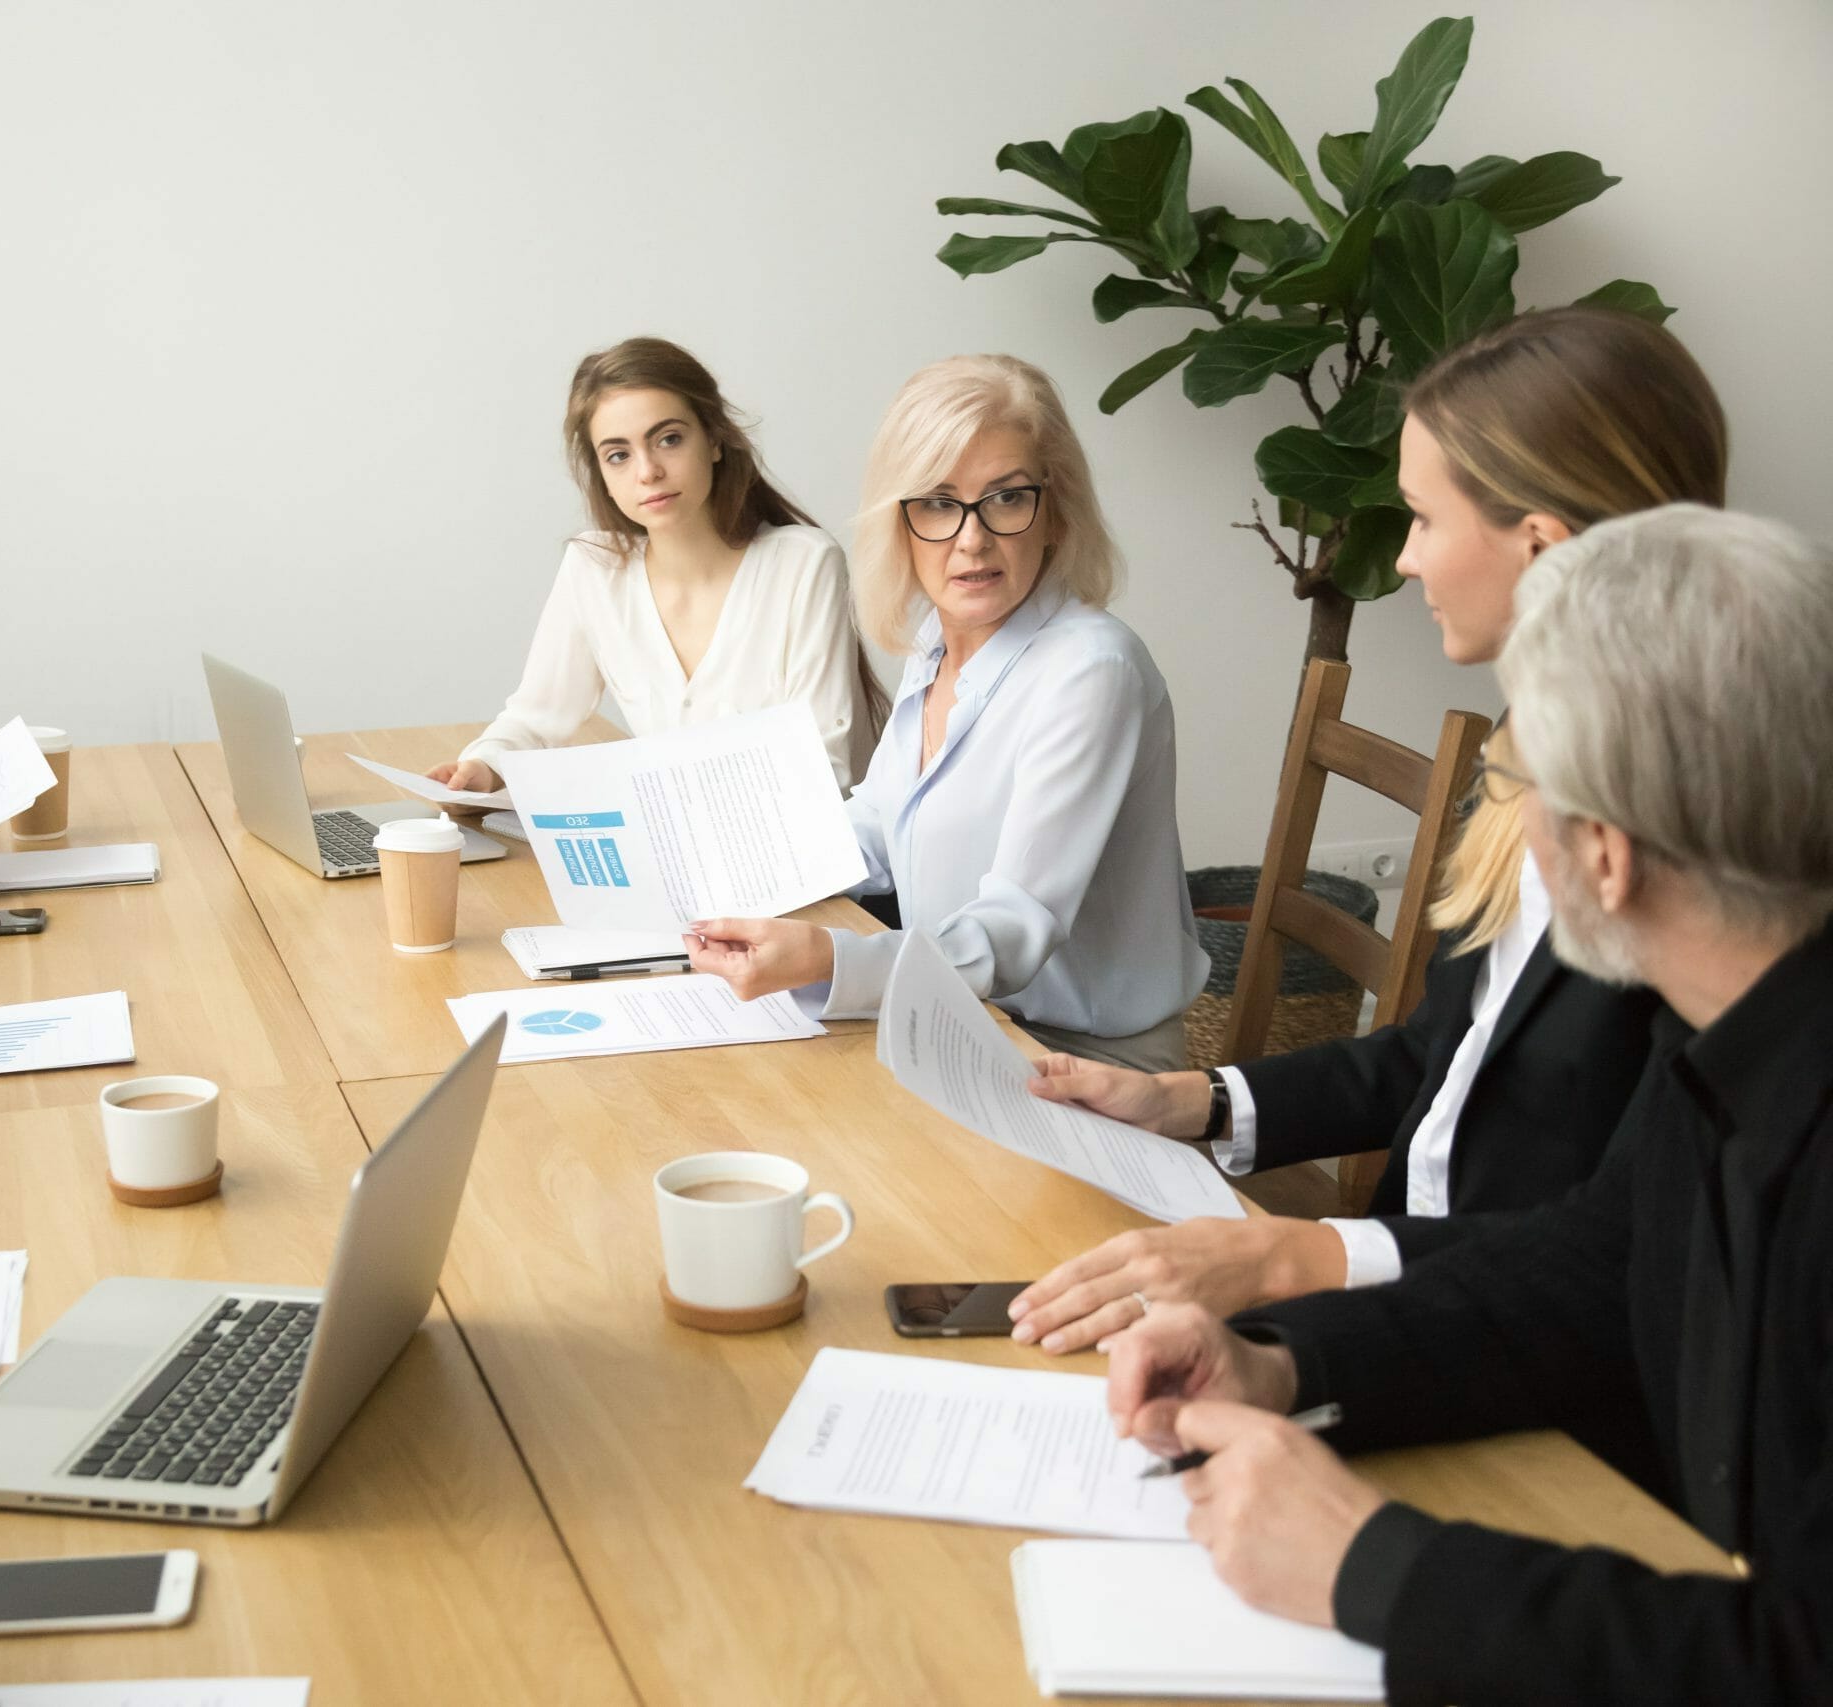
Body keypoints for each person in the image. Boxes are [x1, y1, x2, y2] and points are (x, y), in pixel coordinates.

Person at [1102, 506, 1833, 1707]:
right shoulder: (1726, 1019)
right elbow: (1591, 1272)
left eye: (1514, 783)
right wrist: (1281, 1367)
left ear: (1603, 854)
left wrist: (1369, 1564)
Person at [1002, 308, 1726, 1353]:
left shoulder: (1690, 845)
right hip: (1425, 1299)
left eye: (1422, 520)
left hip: (1527, 1354)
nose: (1406, 563)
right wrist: (1191, 1100)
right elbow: (1441, 1057)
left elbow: (1622, 1251)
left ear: (1541, 548)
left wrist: (1304, 1263)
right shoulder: (1529, 752)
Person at [687, 354, 1206, 1070]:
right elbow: (878, 817)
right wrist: (715, 861)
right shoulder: (943, 638)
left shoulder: (1091, 671)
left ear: (1055, 510)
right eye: (937, 502)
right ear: (899, 521)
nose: (971, 539)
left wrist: (828, 958)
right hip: (961, 1024)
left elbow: (1015, 927)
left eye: (1006, 498)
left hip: (1082, 1060)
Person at [429, 336, 875, 793]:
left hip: (809, 854)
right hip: (671, 845)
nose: (647, 472)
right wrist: (483, 768)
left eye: (669, 439)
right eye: (618, 455)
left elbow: (823, 767)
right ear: (601, 471)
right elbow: (536, 718)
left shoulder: (803, 564)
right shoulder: (595, 569)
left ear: (715, 440)